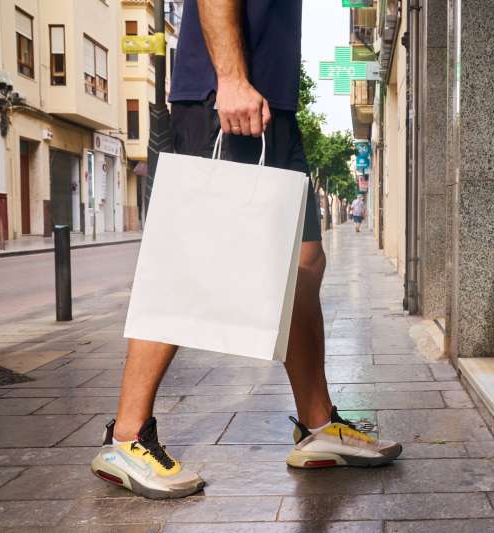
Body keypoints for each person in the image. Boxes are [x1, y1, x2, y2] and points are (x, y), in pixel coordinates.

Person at [90, 0, 401, 500]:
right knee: (189, 262)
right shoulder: (229, 85)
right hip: (228, 96)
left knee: (304, 261)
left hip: (271, 103)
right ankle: (126, 437)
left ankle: (317, 426)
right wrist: (231, 77)